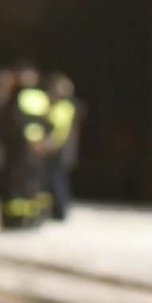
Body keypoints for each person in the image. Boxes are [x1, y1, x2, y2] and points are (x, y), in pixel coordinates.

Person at [0, 62, 51, 229]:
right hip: (31, 147)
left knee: (23, 182)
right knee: (29, 182)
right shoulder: (40, 96)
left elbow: (17, 121)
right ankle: (27, 217)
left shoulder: (18, 95)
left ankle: (19, 218)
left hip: (22, 148)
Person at [44, 72, 83, 221]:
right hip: (58, 148)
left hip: (59, 149)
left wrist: (51, 143)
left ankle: (60, 210)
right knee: (56, 179)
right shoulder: (58, 105)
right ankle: (56, 209)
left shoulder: (65, 106)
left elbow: (61, 130)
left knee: (57, 179)